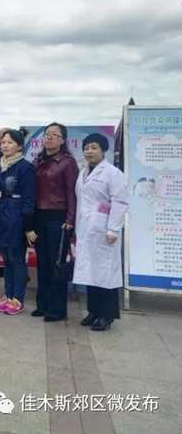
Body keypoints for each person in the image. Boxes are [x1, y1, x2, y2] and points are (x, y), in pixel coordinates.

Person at [74, 133, 128, 332]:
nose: (89, 151)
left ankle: (106, 316)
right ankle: (93, 311)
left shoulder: (113, 173)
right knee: (90, 273)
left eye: (94, 147)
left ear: (103, 150)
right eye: (86, 148)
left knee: (105, 273)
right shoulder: (83, 172)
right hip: (86, 228)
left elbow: (120, 202)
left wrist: (113, 228)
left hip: (104, 229)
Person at [0, 129, 35, 315]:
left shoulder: (25, 167)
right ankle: (8, 294)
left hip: (16, 216)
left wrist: (28, 226)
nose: (5, 145)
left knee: (16, 259)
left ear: (20, 146)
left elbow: (29, 199)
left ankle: (17, 299)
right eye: (3, 142)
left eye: (10, 142)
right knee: (6, 260)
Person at [31, 122, 79, 322]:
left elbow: (72, 193)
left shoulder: (67, 163)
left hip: (58, 219)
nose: (49, 137)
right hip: (39, 217)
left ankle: (57, 309)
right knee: (42, 263)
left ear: (62, 140)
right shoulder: (38, 160)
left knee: (56, 264)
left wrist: (70, 220)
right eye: (47, 134)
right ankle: (42, 305)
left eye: (54, 135)